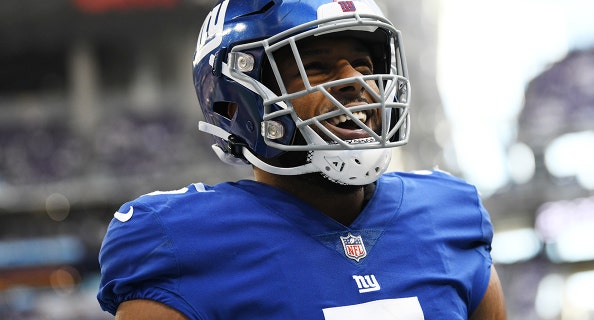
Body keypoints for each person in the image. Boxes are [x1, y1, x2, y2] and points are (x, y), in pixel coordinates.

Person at [97, 0, 507, 319]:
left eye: (364, 65)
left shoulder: (451, 214)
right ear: (241, 98)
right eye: (318, 67)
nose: (356, 83)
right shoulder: (177, 241)